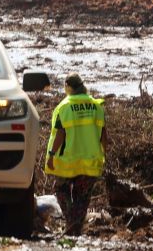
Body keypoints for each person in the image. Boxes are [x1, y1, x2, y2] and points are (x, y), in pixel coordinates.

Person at [44, 72, 107, 236]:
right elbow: (103, 135)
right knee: (82, 196)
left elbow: (60, 134)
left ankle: (72, 224)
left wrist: (51, 155)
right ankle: (75, 228)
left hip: (67, 161)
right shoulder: (96, 106)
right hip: (90, 160)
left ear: (68, 87)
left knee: (60, 189)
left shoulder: (64, 107)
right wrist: (104, 156)